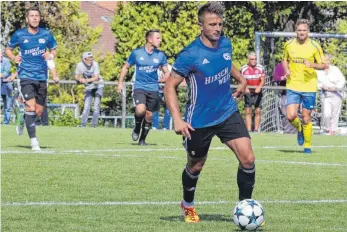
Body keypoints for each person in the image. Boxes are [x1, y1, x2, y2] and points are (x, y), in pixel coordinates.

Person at [164, 2, 256, 223]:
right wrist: (177, 120)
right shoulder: (190, 54)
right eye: (212, 24)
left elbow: (226, 63)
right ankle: (188, 204)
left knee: (248, 159)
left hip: (227, 111)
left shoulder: (225, 43)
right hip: (199, 120)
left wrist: (241, 78)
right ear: (201, 26)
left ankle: (244, 208)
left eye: (220, 24)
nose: (217, 28)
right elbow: (169, 86)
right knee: (196, 165)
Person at [6, 6, 59, 151]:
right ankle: (34, 141)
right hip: (25, 75)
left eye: (37, 16)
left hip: (42, 76)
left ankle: (23, 120)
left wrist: (51, 55)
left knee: (38, 111)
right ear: (27, 18)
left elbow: (53, 49)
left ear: (40, 18)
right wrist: (13, 57)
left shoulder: (46, 34)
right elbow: (8, 49)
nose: (34, 18)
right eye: (32, 16)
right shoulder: (19, 34)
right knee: (30, 106)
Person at [117, 29, 170, 145]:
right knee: (140, 110)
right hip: (139, 86)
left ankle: (142, 140)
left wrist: (165, 79)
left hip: (154, 89)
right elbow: (126, 67)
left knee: (149, 115)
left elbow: (166, 72)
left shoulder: (160, 55)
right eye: (158, 38)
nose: (160, 40)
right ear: (149, 39)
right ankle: (136, 127)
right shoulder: (137, 53)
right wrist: (120, 83)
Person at [282, 19, 326, 154]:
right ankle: (299, 129)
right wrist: (287, 71)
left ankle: (307, 145)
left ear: (308, 31)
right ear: (296, 31)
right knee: (290, 116)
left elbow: (324, 65)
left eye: (304, 30)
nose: (301, 32)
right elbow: (284, 60)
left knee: (306, 117)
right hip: (293, 85)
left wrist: (312, 65)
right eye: (299, 30)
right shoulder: (288, 44)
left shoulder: (315, 46)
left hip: (309, 86)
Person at [317, 54, 346, 135]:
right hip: (326, 94)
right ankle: (328, 128)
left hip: (337, 93)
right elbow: (317, 82)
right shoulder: (319, 71)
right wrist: (322, 86)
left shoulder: (335, 69)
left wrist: (336, 87)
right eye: (323, 60)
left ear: (329, 61)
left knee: (335, 114)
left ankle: (332, 131)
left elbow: (342, 81)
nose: (325, 62)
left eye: (327, 60)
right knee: (327, 113)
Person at [75, 52, 104, 128]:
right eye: (89, 59)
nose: (91, 60)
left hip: (98, 86)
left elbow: (96, 77)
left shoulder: (95, 64)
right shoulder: (79, 65)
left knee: (96, 107)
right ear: (84, 59)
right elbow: (76, 76)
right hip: (89, 87)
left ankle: (93, 125)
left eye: (92, 59)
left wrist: (86, 80)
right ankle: (83, 125)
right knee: (86, 106)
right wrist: (79, 79)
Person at [240, 52, 265, 132]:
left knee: (258, 111)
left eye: (255, 59)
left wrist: (259, 87)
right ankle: (249, 130)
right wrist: (245, 88)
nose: (254, 61)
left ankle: (256, 130)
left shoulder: (260, 68)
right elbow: (240, 80)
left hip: (258, 91)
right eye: (252, 59)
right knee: (248, 111)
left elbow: (262, 80)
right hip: (248, 91)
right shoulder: (243, 69)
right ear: (248, 60)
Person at [273, 62, 296, 133]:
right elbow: (276, 78)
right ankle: (287, 130)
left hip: (296, 92)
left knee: (295, 112)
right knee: (285, 112)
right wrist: (283, 77)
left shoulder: (297, 64)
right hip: (285, 93)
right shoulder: (280, 65)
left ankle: (295, 130)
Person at [152, 64, 173, 130]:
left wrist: (160, 80)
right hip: (157, 90)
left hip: (168, 90)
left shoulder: (170, 68)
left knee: (168, 110)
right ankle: (155, 126)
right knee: (155, 108)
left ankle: (165, 127)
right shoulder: (154, 67)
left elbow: (170, 79)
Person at [0, 53, 15, 125]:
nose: (1, 56)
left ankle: (6, 122)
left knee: (7, 105)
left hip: (7, 85)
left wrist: (2, 75)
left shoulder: (6, 61)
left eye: (1, 55)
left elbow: (6, 73)